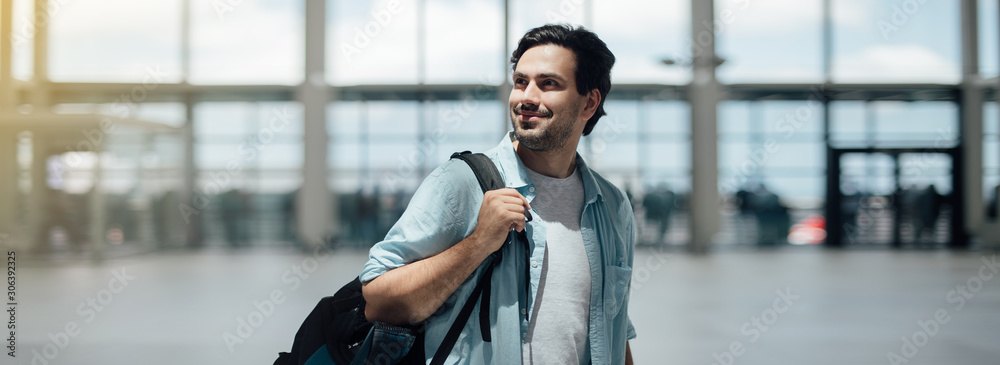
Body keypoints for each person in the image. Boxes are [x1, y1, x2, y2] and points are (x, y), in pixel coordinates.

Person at [361, 24, 636, 364]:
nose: (526, 97)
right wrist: (478, 243)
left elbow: (613, 328)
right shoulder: (461, 182)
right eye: (521, 81)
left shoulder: (611, 206)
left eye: (548, 83)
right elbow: (378, 301)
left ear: (589, 102)